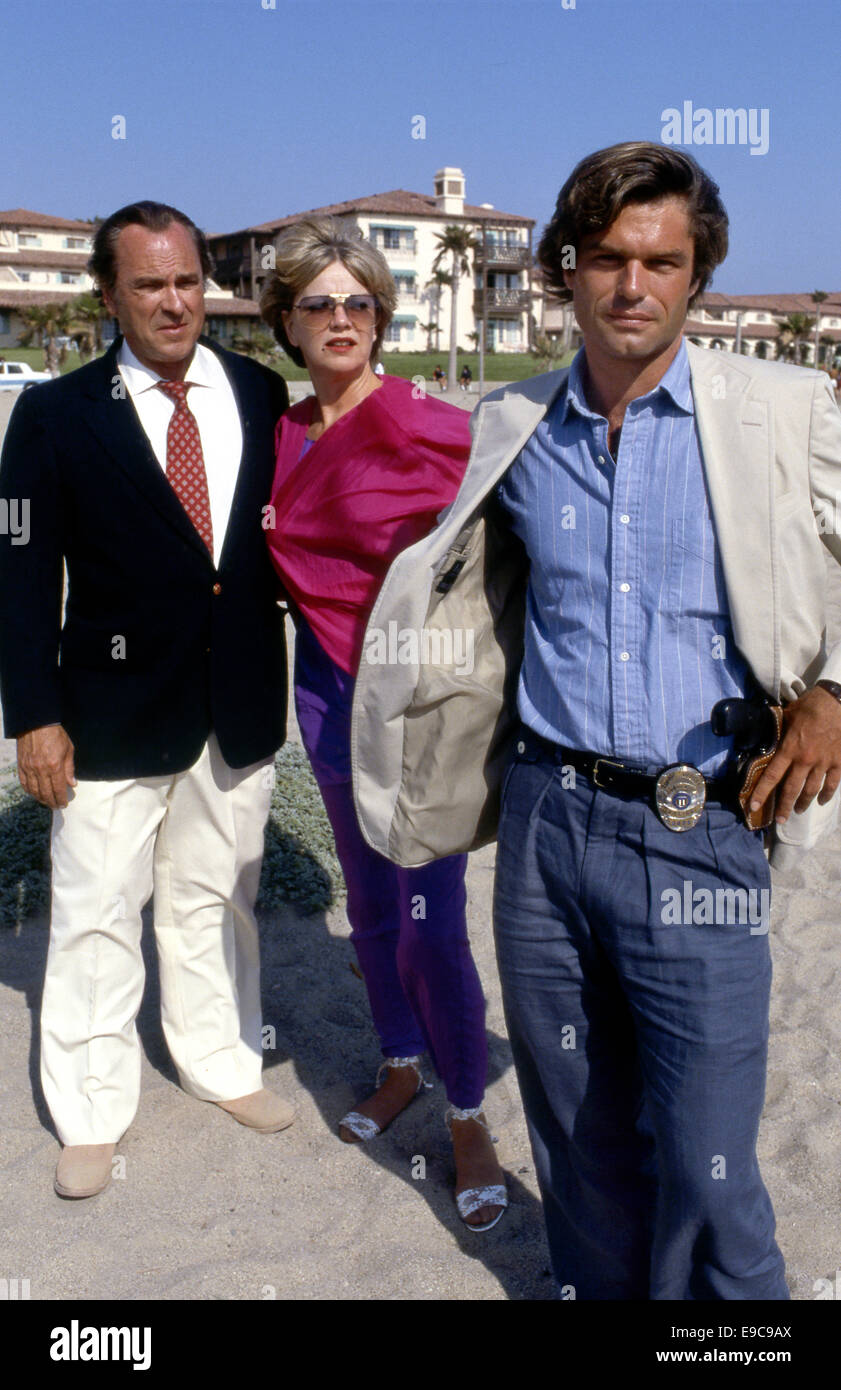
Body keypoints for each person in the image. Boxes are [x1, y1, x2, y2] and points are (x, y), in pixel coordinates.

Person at [352, 142, 841, 1297]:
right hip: (545, 830)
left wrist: (831, 691)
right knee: (576, 1126)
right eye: (608, 259)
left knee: (709, 1156)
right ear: (565, 272)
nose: (634, 286)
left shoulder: (778, 407)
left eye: (661, 262)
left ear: (696, 275)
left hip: (703, 827)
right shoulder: (510, 422)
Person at [0, 201, 293, 1200]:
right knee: (93, 911)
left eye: (185, 282)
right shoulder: (54, 415)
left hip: (237, 704)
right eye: (148, 285)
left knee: (217, 900)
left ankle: (220, 1062)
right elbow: (22, 573)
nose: (173, 303)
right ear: (109, 294)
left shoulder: (259, 390)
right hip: (107, 713)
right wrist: (33, 714)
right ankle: (89, 1109)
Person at [260, 217, 507, 1230]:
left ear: (381, 314)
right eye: (317, 302)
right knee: (367, 906)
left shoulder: (423, 419)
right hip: (322, 687)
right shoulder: (279, 433)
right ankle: (398, 1061)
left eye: (357, 300)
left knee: (429, 918)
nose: (340, 318)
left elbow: (518, 501)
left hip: (416, 700)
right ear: (286, 319)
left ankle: (466, 1110)